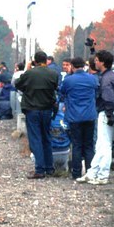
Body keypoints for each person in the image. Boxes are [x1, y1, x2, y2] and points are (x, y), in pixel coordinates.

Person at [78, 49, 114, 185]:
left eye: (97, 60)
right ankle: (93, 172)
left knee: (104, 145)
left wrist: (109, 113)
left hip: (107, 112)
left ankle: (102, 175)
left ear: (102, 62)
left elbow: (108, 97)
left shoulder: (105, 79)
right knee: (101, 144)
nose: (95, 62)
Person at [15, 50, 60, 179]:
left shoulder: (29, 73)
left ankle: (39, 169)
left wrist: (27, 69)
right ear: (46, 60)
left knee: (36, 139)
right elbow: (55, 88)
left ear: (35, 61)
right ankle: (49, 168)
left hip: (32, 109)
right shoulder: (53, 74)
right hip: (47, 109)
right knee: (46, 137)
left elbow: (18, 84)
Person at [59, 56, 99, 180]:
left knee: (76, 145)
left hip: (74, 116)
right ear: (83, 65)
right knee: (89, 145)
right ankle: (90, 172)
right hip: (89, 115)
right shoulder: (92, 79)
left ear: (72, 66)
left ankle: (76, 173)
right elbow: (97, 91)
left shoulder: (68, 80)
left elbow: (61, 93)